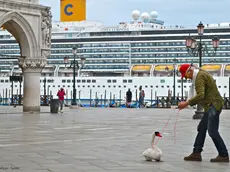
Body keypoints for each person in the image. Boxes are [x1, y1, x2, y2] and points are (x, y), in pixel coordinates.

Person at [178, 63, 229, 162]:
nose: (186, 78)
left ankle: (223, 154)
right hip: (211, 105)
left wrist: (187, 103)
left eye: (186, 75)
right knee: (201, 128)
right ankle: (196, 153)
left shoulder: (199, 77)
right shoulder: (201, 74)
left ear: (190, 71)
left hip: (213, 104)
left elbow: (201, 95)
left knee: (212, 131)